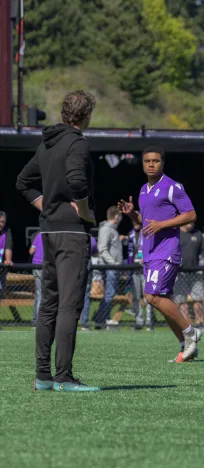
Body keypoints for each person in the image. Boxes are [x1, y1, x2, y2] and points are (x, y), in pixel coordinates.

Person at [16, 90, 99, 391]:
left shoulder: (46, 143)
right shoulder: (77, 142)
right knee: (69, 304)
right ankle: (63, 377)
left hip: (47, 232)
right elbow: (77, 180)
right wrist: (86, 211)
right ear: (87, 114)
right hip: (71, 233)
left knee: (48, 304)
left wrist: (45, 205)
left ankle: (43, 376)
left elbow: (23, 182)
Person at [116, 146, 203, 363]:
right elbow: (145, 223)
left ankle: (191, 332)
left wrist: (163, 224)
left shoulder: (172, 186)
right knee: (162, 299)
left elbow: (191, 214)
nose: (151, 164)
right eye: (147, 161)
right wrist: (132, 214)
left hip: (167, 251)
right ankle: (186, 347)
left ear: (162, 163)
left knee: (152, 297)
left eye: (155, 161)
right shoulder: (144, 190)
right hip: (150, 252)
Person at [92, 206, 123, 327]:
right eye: (120, 215)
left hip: (112, 267)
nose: (121, 218)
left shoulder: (112, 230)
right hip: (109, 267)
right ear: (116, 216)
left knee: (110, 294)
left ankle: (101, 318)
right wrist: (114, 263)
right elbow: (102, 250)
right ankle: (100, 319)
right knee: (109, 294)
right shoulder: (106, 229)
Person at [175, 221, 204, 326]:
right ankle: (185, 324)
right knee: (181, 299)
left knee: (198, 298)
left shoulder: (198, 234)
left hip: (196, 272)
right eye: (189, 220)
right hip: (179, 273)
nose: (191, 223)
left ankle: (200, 323)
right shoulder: (175, 233)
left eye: (193, 221)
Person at [127, 218, 153, 329]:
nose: (135, 224)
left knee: (147, 296)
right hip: (134, 269)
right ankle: (139, 319)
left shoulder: (147, 232)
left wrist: (146, 259)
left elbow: (151, 249)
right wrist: (129, 267)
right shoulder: (131, 235)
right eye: (134, 222)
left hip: (146, 269)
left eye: (137, 222)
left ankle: (149, 320)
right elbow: (129, 252)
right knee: (136, 296)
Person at [30, 231, 43, 323]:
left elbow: (31, 251)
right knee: (43, 295)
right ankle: (39, 320)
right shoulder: (53, 235)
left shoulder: (38, 235)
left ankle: (35, 319)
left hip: (36, 265)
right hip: (46, 266)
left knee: (39, 294)